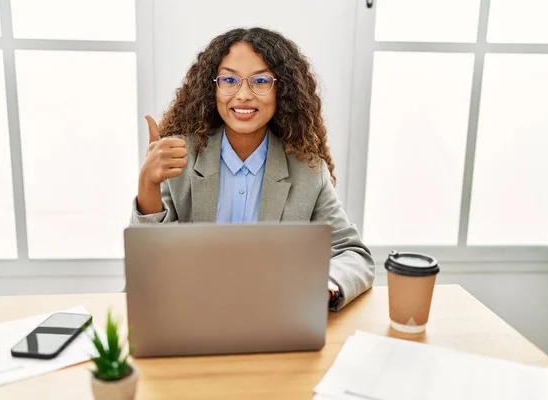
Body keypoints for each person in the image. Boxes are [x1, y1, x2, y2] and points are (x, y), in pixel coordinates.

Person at [130, 27, 374, 311]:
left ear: (282, 90)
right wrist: (147, 183)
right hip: (189, 310)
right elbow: (148, 262)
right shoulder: (180, 156)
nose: (243, 94)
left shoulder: (307, 171)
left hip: (272, 314)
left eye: (260, 81)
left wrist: (328, 284)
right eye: (229, 79)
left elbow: (354, 254)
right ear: (213, 88)